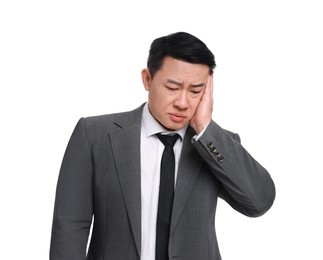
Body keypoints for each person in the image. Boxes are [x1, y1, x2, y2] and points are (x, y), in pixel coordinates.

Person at [50, 32, 275, 260]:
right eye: (172, 87)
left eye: (196, 91)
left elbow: (259, 202)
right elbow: (69, 228)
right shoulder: (95, 135)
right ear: (147, 79)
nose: (182, 103)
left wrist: (205, 128)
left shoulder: (214, 144)